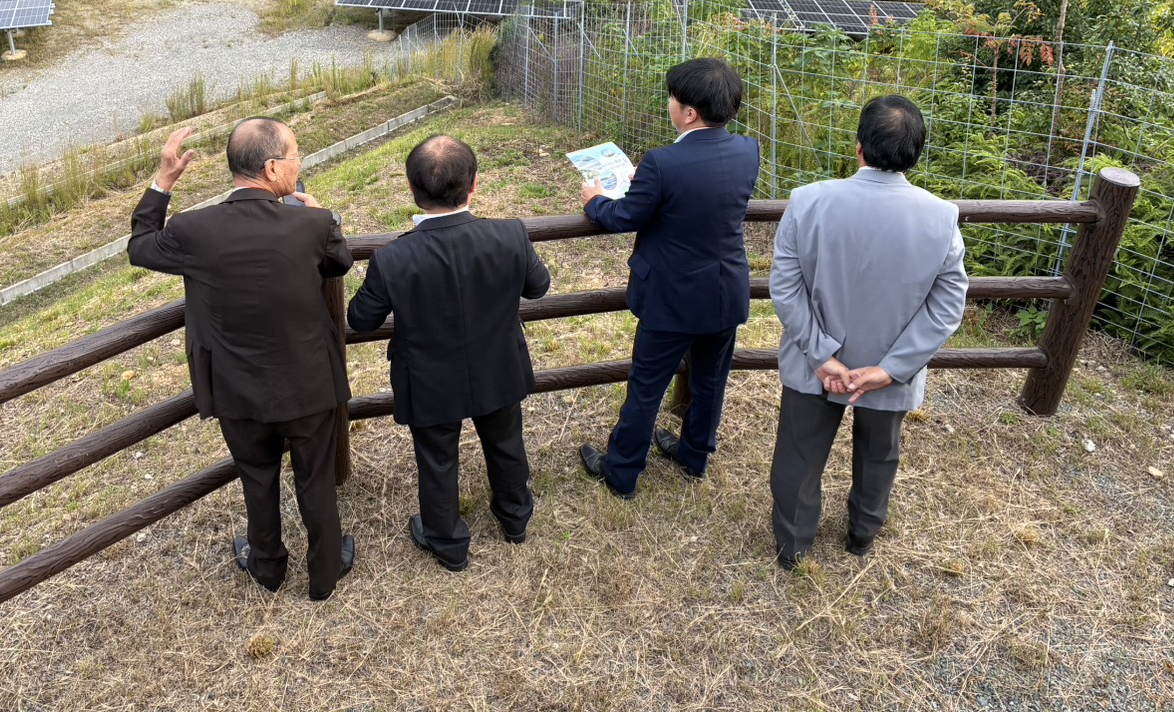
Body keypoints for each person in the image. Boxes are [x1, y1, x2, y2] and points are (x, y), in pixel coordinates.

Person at [127, 119, 356, 601]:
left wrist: (163, 181)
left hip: (234, 386)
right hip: (309, 382)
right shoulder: (310, 224)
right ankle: (325, 571)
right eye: (295, 156)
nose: (299, 164)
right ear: (272, 168)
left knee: (257, 476)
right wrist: (324, 215)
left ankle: (268, 566)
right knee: (315, 478)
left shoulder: (193, 229)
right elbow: (339, 262)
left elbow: (141, 248)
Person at [768, 94, 969, 569]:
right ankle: (862, 532)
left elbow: (784, 285)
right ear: (917, 153)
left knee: (799, 453)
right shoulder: (941, 218)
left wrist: (821, 355)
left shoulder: (808, 201)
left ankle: (793, 544)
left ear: (858, 146)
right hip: (886, 371)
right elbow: (946, 307)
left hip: (815, 366)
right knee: (879, 454)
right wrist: (889, 369)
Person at [346, 135, 551, 572]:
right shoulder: (510, 234)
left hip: (428, 377)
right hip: (498, 365)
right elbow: (538, 287)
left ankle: (447, 543)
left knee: (437, 460)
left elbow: (361, 318)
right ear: (474, 185)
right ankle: (515, 519)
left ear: (411, 189)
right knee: (507, 444)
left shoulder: (393, 257)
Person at [577, 58, 760, 498]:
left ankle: (621, 473)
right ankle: (694, 456)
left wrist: (594, 200)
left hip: (671, 297)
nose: (670, 104)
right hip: (723, 291)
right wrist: (653, 186)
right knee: (710, 381)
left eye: (673, 99)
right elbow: (705, 196)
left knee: (646, 387)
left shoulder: (663, 162)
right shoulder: (747, 150)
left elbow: (624, 216)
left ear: (690, 112)